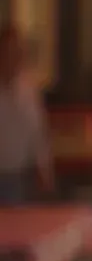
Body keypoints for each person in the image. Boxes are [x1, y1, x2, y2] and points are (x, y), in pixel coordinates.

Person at [0, 26, 53, 205]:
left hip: (21, 176)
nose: (13, 58)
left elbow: (38, 133)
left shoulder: (28, 90)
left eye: (17, 52)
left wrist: (44, 168)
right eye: (8, 52)